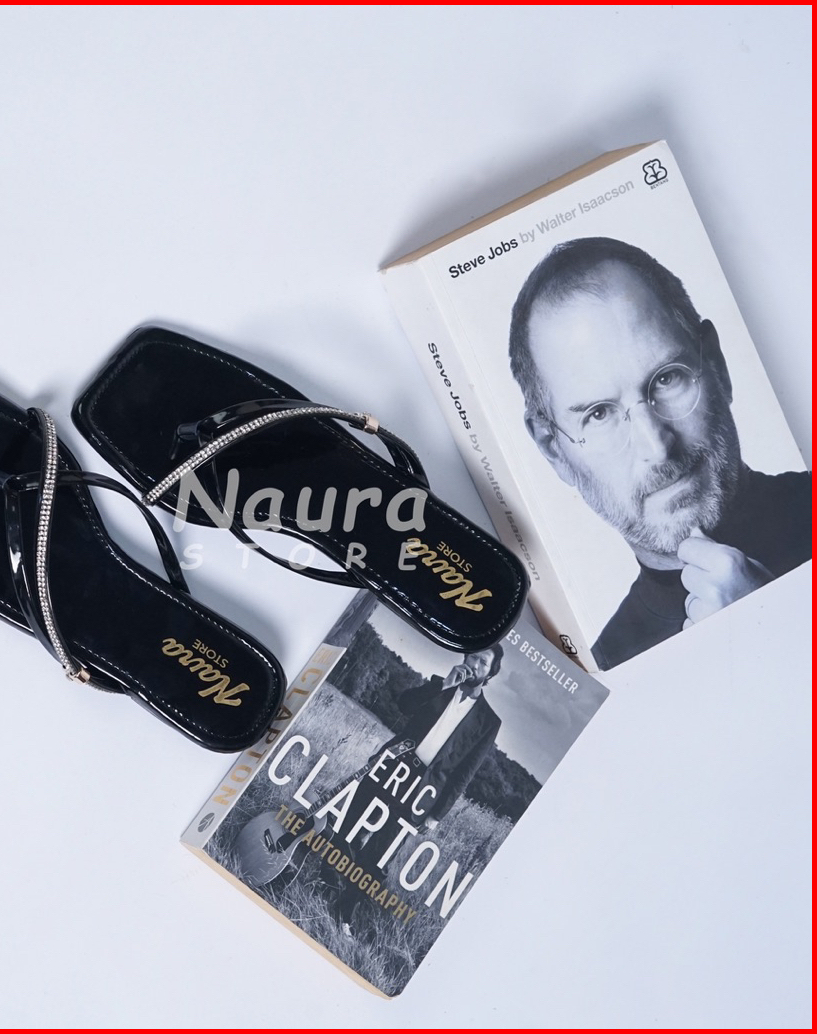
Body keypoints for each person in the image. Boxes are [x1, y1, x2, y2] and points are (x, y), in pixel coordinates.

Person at [508, 237, 811, 669]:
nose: (657, 446)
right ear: (553, 450)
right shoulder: (609, 676)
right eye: (598, 414)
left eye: (667, 379)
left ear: (718, 366)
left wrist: (779, 629)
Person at [335, 644, 504, 932]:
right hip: (392, 766)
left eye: (483, 662)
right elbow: (404, 705)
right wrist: (441, 686)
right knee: (350, 823)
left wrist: (437, 815)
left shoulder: (489, 721)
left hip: (423, 790)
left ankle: (345, 912)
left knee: (382, 852)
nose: (474, 664)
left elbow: (465, 773)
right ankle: (328, 876)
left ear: (490, 673)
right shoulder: (440, 685)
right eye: (473, 656)